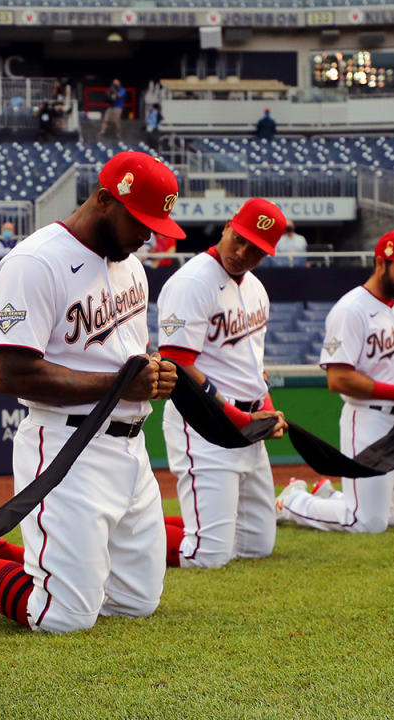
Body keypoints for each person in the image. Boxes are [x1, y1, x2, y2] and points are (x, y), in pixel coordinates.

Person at [0, 150, 183, 633]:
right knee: (62, 617)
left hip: (132, 449)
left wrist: (153, 374)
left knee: (135, 602)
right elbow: (12, 374)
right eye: (141, 221)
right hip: (66, 448)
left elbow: (126, 354)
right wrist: (121, 384)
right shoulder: (33, 262)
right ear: (106, 200)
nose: (148, 236)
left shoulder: (131, 266)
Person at [275, 229, 394, 534]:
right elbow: (338, 379)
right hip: (370, 420)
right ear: (381, 263)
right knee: (366, 522)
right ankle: (294, 502)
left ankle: (327, 494)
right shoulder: (351, 309)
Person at [157, 198, 290, 568]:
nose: (243, 252)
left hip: (248, 427)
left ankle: (153, 525)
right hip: (205, 424)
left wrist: (265, 411)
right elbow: (177, 362)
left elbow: (253, 367)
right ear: (227, 226)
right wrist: (235, 416)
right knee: (209, 556)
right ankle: (126, 535)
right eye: (240, 238)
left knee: (256, 545)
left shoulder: (256, 289)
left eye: (257, 249)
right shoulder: (191, 281)